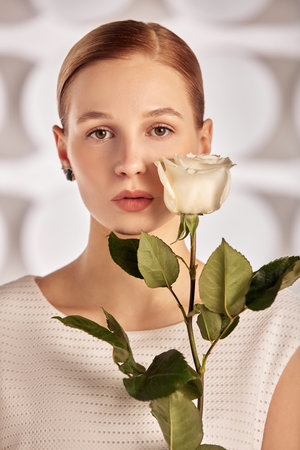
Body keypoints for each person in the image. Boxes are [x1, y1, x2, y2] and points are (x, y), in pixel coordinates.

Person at [0, 20, 299, 450]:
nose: (130, 162)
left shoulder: (277, 335)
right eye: (100, 132)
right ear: (64, 149)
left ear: (201, 142)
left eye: (159, 130)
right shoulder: (7, 330)